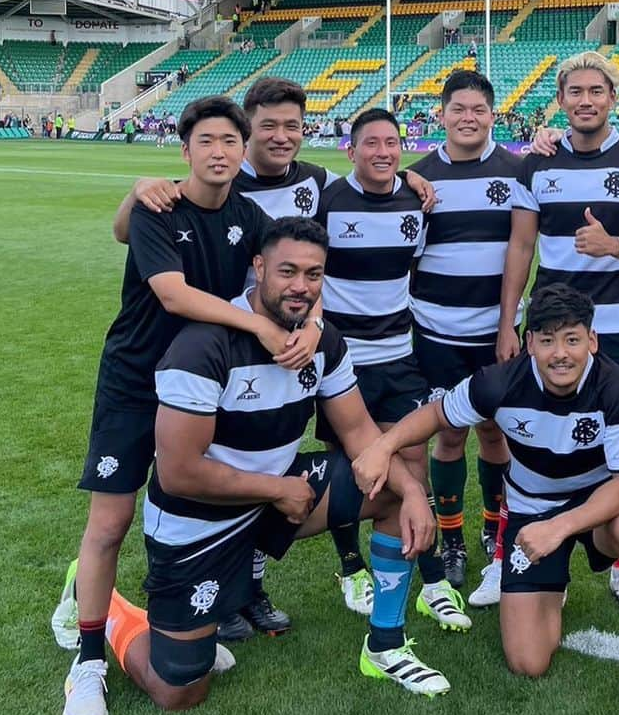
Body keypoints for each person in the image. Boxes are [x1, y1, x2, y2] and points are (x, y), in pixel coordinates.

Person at [79, 217, 448, 715]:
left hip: (276, 495)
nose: (300, 287)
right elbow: (178, 473)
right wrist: (276, 489)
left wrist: (410, 493)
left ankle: (384, 646)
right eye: (287, 272)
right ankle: (116, 608)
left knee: (386, 489)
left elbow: (361, 434)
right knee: (179, 691)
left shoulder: (323, 342)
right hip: (197, 521)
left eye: (314, 275)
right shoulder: (203, 346)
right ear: (258, 268)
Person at [108, 78, 434, 640]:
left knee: (272, 456)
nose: (280, 138)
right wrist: (139, 187)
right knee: (150, 497)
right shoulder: (220, 185)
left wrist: (407, 175)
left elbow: (367, 180)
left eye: (293, 127)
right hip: (197, 351)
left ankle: (249, 590)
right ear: (243, 134)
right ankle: (125, 597)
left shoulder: (315, 180)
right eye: (266, 128)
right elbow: (130, 233)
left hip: (270, 352)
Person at [57, 97, 324, 715]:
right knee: (111, 522)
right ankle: (89, 658)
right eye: (206, 141)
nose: (220, 152)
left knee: (197, 503)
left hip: (204, 387)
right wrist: (256, 327)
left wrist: (311, 319)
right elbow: (173, 296)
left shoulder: (251, 214)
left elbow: (294, 272)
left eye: (231, 141)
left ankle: (182, 621)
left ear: (243, 148)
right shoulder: (159, 207)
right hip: (135, 381)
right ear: (185, 150)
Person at [353, 284, 619, 715]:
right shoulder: (500, 382)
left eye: (572, 339)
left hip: (600, 509)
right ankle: (553, 588)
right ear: (529, 342)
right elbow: (436, 416)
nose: (560, 354)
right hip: (532, 511)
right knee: (528, 661)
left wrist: (561, 527)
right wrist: (384, 445)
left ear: (592, 340)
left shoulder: (615, 386)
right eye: (547, 340)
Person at [497, 50, 619, 601]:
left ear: (612, 98)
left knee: (612, 436)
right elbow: (522, 244)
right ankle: (515, 543)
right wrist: (510, 322)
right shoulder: (537, 163)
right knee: (529, 431)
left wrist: (615, 246)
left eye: (596, 92)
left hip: (616, 327)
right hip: (547, 327)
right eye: (574, 92)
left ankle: (613, 551)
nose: (585, 101)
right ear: (560, 101)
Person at [312, 109, 469, 630]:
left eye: (392, 143)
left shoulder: (413, 200)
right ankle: (350, 567)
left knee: (412, 466)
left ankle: (431, 579)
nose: (383, 152)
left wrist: (412, 179)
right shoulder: (327, 200)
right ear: (350, 151)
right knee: (349, 468)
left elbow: (414, 268)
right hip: (341, 363)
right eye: (371, 144)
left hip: (399, 357)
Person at [408, 70, 520, 593]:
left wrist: (506, 325)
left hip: (497, 334)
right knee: (449, 433)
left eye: (478, 109)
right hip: (435, 332)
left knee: (496, 433)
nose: (468, 118)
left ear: (492, 115)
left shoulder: (518, 171)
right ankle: (450, 538)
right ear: (443, 114)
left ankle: (494, 528)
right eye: (459, 109)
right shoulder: (417, 179)